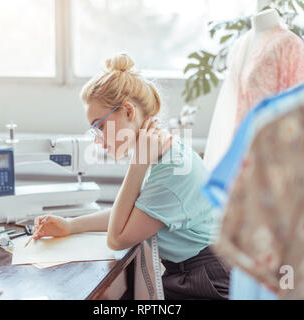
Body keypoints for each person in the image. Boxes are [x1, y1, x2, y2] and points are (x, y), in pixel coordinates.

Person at [33, 53, 229, 300]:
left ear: (127, 111)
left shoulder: (171, 167)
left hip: (207, 282)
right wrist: (71, 226)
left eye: (100, 126)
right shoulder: (162, 153)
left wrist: (137, 165)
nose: (98, 139)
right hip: (190, 275)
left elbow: (117, 238)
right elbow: (134, 214)